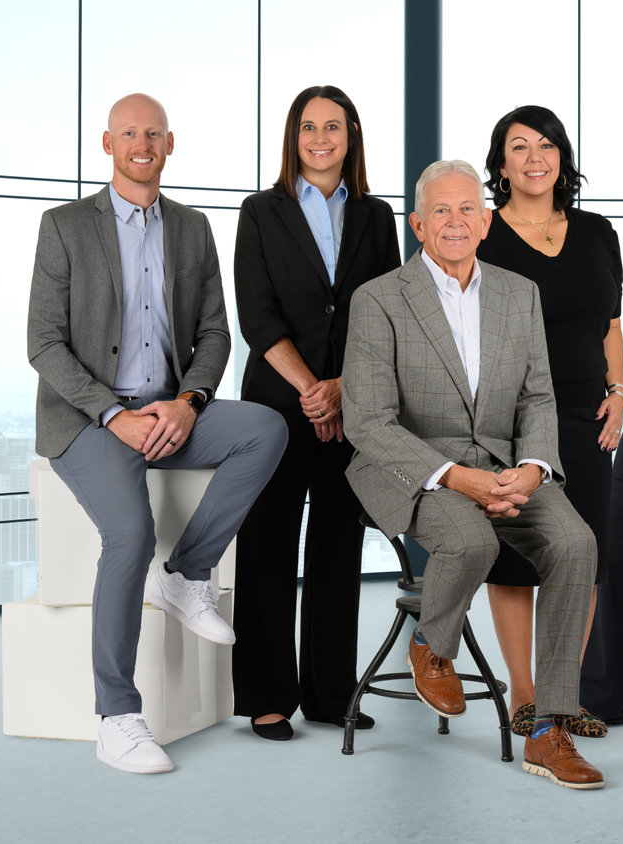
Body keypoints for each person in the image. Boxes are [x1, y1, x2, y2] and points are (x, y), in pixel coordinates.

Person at [26, 93, 287, 774]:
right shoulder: (64, 226)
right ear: (107, 145)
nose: (142, 145)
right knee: (131, 533)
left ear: (169, 145)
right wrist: (114, 415)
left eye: (153, 134)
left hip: (171, 410)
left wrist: (189, 402)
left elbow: (214, 332)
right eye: (129, 134)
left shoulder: (193, 228)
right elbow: (44, 345)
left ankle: (189, 572)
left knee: (264, 427)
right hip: (89, 420)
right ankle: (117, 716)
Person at [342, 160, 604, 790]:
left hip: (504, 467)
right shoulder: (378, 299)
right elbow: (368, 422)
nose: (455, 222)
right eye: (440, 210)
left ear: (486, 222)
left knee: (577, 543)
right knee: (472, 539)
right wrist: (454, 476)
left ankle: (548, 730)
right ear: (417, 223)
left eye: (467, 210)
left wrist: (534, 468)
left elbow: (538, 398)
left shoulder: (520, 293)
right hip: (409, 468)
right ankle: (434, 645)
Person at [231, 86, 402, 741]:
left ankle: (331, 694)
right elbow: (257, 315)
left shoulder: (376, 216)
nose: (320, 138)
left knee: (337, 547)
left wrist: (339, 390)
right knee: (268, 544)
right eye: (309, 126)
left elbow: (383, 315)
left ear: (351, 135)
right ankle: (268, 697)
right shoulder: (260, 212)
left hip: (350, 402)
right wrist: (311, 388)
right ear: (293, 136)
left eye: (333, 126)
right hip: (276, 404)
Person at [476, 105, 623, 739]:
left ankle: (563, 695)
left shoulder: (597, 232)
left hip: (588, 414)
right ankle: (524, 695)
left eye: (547, 145)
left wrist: (620, 390)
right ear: (501, 164)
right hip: (508, 420)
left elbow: (610, 324)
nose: (535, 157)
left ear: (562, 157)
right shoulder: (481, 233)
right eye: (519, 146)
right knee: (515, 557)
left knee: (582, 555)